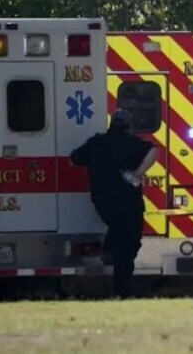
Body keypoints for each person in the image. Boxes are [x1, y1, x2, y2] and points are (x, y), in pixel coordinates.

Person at [70, 108, 159, 299]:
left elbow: (74, 159)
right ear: (128, 126)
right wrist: (138, 174)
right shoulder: (133, 144)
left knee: (118, 233)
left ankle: (110, 251)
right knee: (127, 248)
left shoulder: (96, 143)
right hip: (129, 206)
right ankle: (122, 290)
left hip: (104, 205)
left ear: (111, 123)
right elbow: (154, 151)